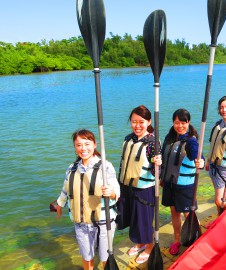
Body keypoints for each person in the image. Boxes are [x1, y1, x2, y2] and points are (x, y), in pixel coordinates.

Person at [54, 129, 120, 270]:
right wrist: (59, 204)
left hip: (103, 221)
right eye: (79, 145)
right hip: (81, 223)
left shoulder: (105, 166)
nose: (83, 148)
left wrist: (111, 192)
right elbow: (66, 189)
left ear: (95, 144)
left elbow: (116, 190)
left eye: (87, 143)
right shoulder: (72, 168)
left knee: (105, 257)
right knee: (86, 256)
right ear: (75, 147)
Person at [116, 105, 162, 264]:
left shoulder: (153, 143)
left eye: (141, 122)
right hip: (126, 186)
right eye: (134, 122)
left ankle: (149, 247)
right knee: (132, 219)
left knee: (144, 220)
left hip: (144, 189)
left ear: (149, 121)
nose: (137, 125)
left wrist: (158, 164)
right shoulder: (128, 139)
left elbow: (158, 173)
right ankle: (141, 242)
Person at [160, 108, 204, 256]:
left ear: (188, 123)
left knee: (188, 214)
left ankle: (199, 238)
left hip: (185, 185)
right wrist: (162, 177)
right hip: (169, 184)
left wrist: (201, 162)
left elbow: (198, 155)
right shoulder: (170, 138)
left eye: (183, 123)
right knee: (174, 212)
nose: (179, 126)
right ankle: (177, 239)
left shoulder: (191, 141)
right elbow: (165, 159)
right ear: (173, 123)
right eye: (176, 122)